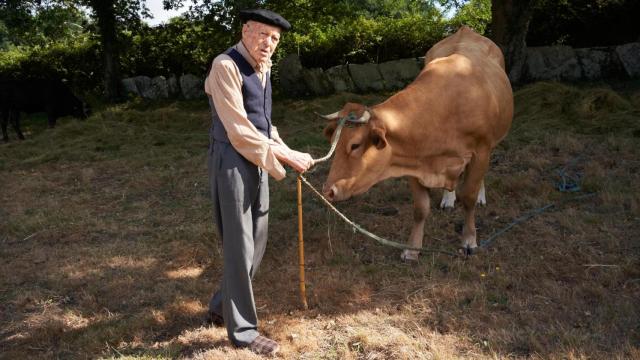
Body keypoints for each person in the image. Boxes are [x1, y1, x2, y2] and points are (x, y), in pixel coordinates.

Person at [203, 8, 313, 356]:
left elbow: (264, 124)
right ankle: (245, 333)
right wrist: (283, 159)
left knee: (256, 244)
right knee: (239, 245)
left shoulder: (264, 68)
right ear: (246, 30)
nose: (269, 43)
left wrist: (288, 149)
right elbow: (239, 130)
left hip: (257, 159)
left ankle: (222, 305)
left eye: (275, 39)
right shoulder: (226, 66)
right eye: (263, 34)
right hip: (233, 161)